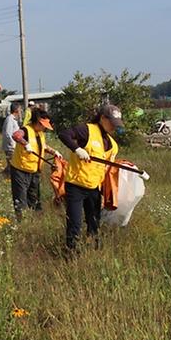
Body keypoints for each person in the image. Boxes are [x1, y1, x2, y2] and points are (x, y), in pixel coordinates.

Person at [57, 103, 122, 250]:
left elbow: (108, 168)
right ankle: (71, 254)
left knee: (94, 221)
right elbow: (63, 134)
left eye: (115, 124)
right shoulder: (87, 130)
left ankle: (93, 249)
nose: (113, 127)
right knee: (75, 223)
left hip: (94, 188)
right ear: (102, 118)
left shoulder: (112, 144)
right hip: (76, 186)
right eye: (111, 123)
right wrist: (77, 149)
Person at [9, 108, 64, 220]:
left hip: (34, 172)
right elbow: (16, 135)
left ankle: (34, 220)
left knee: (34, 200)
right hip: (20, 172)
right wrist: (25, 143)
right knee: (21, 200)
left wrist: (54, 152)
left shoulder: (40, 133)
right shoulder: (25, 130)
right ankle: (22, 223)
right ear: (38, 122)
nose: (45, 128)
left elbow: (43, 146)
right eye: (44, 125)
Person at [1, 103, 23, 174]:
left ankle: (3, 176)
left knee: (11, 165)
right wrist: (12, 145)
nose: (21, 111)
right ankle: (5, 176)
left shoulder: (13, 119)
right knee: (12, 165)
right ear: (16, 110)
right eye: (20, 110)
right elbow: (8, 134)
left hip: (13, 146)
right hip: (10, 147)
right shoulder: (10, 119)